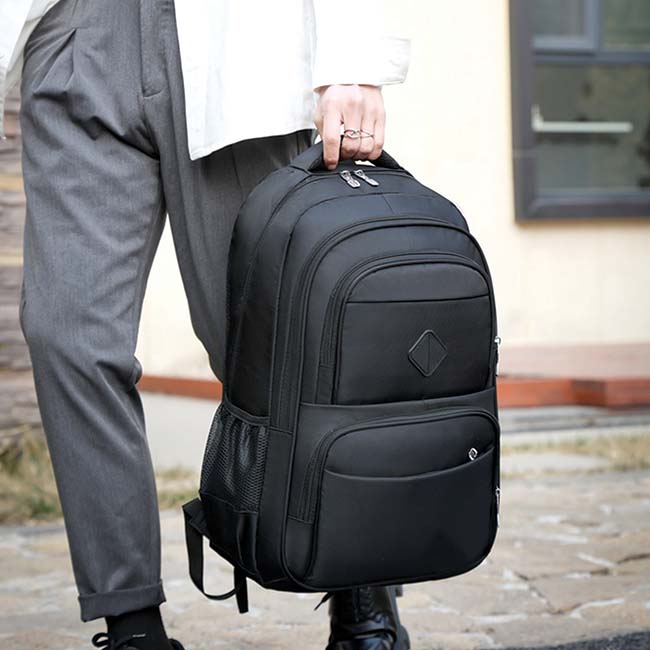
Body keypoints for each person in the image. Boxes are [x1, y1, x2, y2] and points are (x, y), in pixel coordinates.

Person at [0, 0, 411, 648]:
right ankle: (132, 623)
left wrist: (353, 59)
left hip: (237, 38)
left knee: (275, 343)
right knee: (66, 335)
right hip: (77, 36)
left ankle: (361, 585)